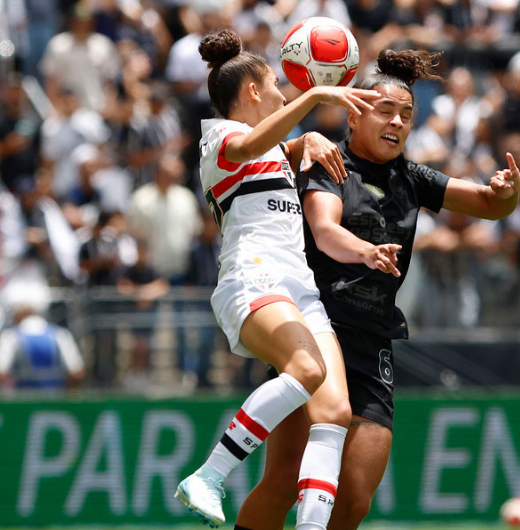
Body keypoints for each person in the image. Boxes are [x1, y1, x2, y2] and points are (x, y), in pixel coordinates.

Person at [234, 49, 520, 530]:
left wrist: (508, 191)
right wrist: (366, 251)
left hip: (372, 343)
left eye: (407, 115)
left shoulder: (412, 178)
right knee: (285, 481)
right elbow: (324, 229)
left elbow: (491, 207)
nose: (397, 122)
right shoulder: (330, 161)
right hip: (315, 335)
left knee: (353, 502)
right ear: (354, 113)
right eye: (384, 110)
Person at [173, 29, 382, 530]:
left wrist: (306, 136)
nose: (284, 94)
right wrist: (312, 99)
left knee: (333, 410)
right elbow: (249, 146)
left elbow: (276, 151)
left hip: (299, 287)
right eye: (275, 86)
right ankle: (209, 474)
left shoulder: (272, 148)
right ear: (251, 92)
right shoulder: (219, 136)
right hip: (254, 276)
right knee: (307, 369)